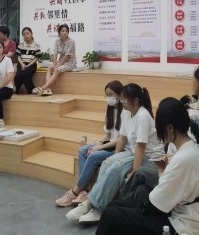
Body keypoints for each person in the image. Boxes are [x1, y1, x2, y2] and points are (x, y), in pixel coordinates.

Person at [95, 97, 199, 235]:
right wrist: (162, 171)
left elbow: (155, 205)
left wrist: (161, 173)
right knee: (114, 206)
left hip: (184, 223)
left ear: (170, 128)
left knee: (111, 215)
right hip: (191, 212)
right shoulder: (196, 141)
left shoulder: (183, 158)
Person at [66, 83, 164, 224]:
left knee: (115, 169)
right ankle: (93, 204)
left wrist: (134, 173)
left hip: (150, 157)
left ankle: (95, 208)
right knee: (107, 163)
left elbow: (141, 147)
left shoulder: (143, 116)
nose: (121, 101)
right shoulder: (126, 113)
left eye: (124, 98)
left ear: (136, 100)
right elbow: (122, 138)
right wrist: (115, 157)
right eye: (121, 98)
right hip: (133, 152)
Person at [55, 80, 123, 207]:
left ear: (120, 94)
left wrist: (100, 147)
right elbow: (108, 135)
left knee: (93, 156)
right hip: (109, 144)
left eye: (111, 94)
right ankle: (84, 191)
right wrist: (99, 144)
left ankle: (75, 192)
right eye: (107, 95)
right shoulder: (109, 109)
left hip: (119, 148)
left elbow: (120, 140)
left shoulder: (125, 112)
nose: (109, 98)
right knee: (83, 150)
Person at [35, 24, 77, 96]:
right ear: (59, 32)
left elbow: (67, 56)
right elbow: (55, 53)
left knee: (57, 69)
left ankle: (43, 88)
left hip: (70, 62)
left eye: (66, 31)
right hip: (60, 61)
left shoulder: (71, 42)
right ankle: (48, 90)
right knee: (49, 68)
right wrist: (54, 64)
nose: (64, 33)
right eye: (62, 31)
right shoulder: (57, 41)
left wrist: (58, 65)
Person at [14, 27, 41, 94]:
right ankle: (18, 90)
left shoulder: (36, 45)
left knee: (26, 74)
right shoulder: (21, 45)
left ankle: (31, 90)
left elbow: (36, 58)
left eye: (27, 33)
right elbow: (18, 57)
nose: (26, 35)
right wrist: (22, 64)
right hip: (21, 64)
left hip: (31, 64)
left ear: (31, 34)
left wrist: (28, 65)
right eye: (24, 34)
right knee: (18, 76)